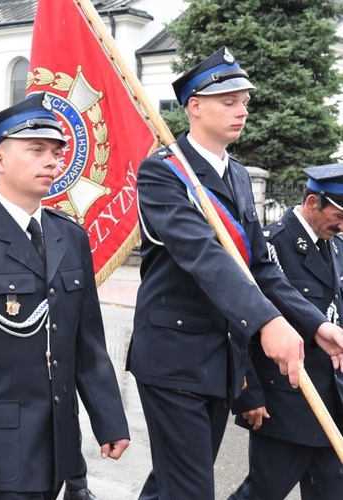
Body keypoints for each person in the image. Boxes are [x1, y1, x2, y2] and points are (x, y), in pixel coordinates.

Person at [129, 46, 343, 499]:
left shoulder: (239, 176)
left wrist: (317, 325)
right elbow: (207, 257)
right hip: (173, 357)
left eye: (244, 101)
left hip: (218, 359)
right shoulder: (162, 173)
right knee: (190, 489)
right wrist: (268, 322)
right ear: (195, 106)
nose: (241, 110)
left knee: (172, 484)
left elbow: (262, 267)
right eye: (228, 101)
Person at [0, 93, 130, 500]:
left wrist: (109, 419)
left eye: (55, 151)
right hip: (1, 447)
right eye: (35, 150)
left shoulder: (69, 236)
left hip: (61, 445)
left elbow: (86, 342)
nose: (51, 161)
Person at [229, 164, 343, 499]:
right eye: (337, 215)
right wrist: (247, 393)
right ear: (311, 204)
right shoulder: (270, 248)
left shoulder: (336, 246)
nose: (341, 225)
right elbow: (240, 325)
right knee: (264, 492)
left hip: (330, 403)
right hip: (285, 401)